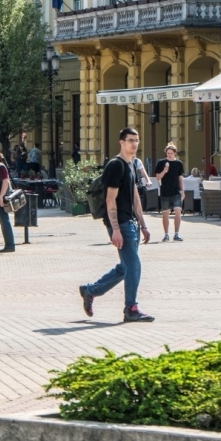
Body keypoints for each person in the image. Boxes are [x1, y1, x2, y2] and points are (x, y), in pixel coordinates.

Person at [79, 126, 153, 323]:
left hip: (132, 223)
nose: (134, 144)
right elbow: (111, 199)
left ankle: (90, 291)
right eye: (130, 140)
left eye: (136, 140)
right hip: (120, 223)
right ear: (122, 142)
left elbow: (135, 196)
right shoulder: (115, 165)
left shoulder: (131, 164)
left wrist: (144, 225)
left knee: (125, 267)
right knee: (134, 266)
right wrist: (116, 230)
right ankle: (131, 308)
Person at [155, 142, 185, 242]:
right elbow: (158, 177)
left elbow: (180, 178)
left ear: (174, 153)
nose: (169, 155)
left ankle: (176, 234)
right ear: (166, 153)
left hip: (176, 191)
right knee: (165, 214)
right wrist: (164, 170)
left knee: (178, 212)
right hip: (165, 191)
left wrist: (183, 191)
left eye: (171, 153)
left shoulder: (179, 163)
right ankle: (166, 234)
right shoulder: (161, 163)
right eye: (168, 153)